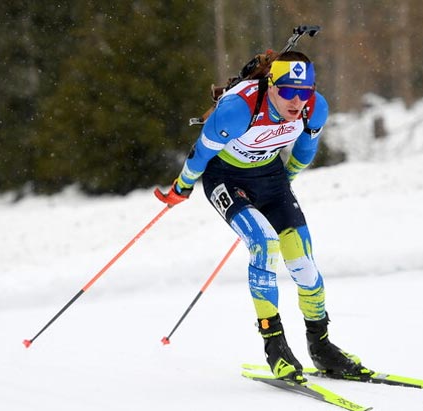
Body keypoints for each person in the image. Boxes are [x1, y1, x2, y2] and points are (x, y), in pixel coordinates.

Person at [156, 51, 368, 382]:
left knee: (304, 264)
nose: (296, 101)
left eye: (304, 91)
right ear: (270, 86)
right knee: (265, 244)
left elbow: (305, 150)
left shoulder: (315, 107)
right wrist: (182, 187)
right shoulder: (237, 110)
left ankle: (322, 347)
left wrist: (289, 179)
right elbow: (201, 154)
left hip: (271, 179)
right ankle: (275, 346)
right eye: (287, 91)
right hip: (225, 178)